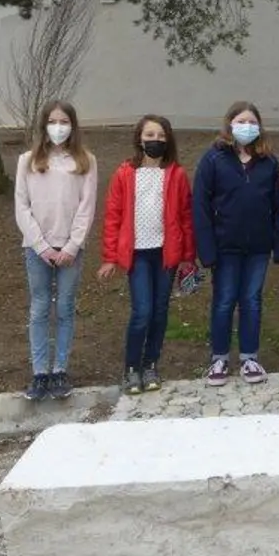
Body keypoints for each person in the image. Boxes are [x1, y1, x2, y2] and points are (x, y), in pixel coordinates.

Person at [99, 115, 194, 396]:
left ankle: (151, 364)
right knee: (142, 311)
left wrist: (188, 255)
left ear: (168, 140)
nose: (155, 140)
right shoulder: (125, 173)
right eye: (150, 135)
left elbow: (185, 217)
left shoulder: (176, 174)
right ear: (139, 138)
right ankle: (131, 368)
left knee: (160, 311)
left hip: (166, 254)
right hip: (137, 254)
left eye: (161, 136)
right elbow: (113, 217)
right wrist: (109, 257)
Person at [193, 101, 279, 385]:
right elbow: (200, 205)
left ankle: (249, 358)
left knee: (251, 301)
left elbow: (278, 205)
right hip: (225, 246)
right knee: (223, 301)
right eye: (241, 121)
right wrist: (206, 249)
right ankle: (219, 358)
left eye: (252, 122)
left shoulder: (269, 162)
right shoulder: (213, 159)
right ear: (230, 125)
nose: (247, 127)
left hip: (258, 246)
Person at [13, 100, 98, 401]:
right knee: (39, 309)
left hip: (70, 250)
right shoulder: (28, 160)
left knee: (64, 308)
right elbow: (22, 207)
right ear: (44, 125)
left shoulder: (85, 161)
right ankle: (40, 372)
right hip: (38, 248)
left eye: (64, 121)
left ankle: (60, 368)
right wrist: (41, 246)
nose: (58, 127)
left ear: (72, 126)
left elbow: (86, 208)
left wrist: (72, 245)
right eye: (53, 121)